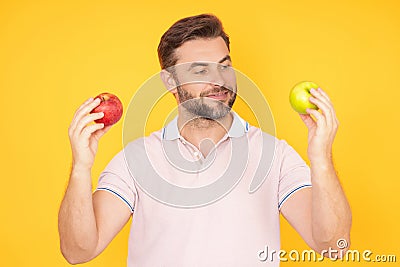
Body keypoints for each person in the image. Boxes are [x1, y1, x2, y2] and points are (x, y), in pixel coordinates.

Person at [58, 14, 352, 266]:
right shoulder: (137, 159)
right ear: (170, 81)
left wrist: (320, 157)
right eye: (200, 70)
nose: (220, 81)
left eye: (224, 66)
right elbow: (78, 251)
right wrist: (82, 166)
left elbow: (332, 246)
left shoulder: (275, 156)